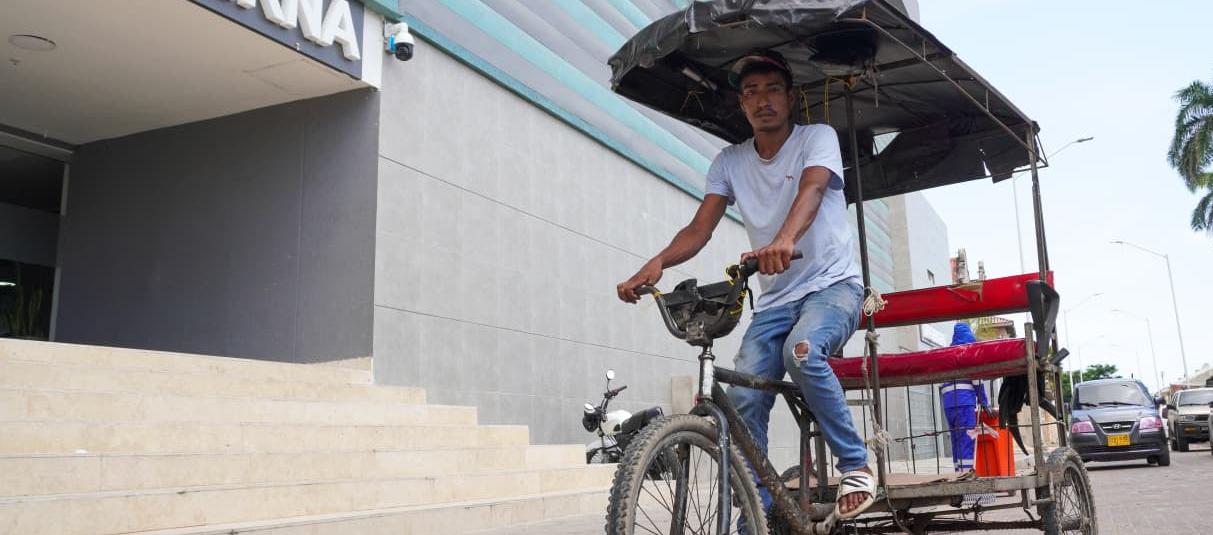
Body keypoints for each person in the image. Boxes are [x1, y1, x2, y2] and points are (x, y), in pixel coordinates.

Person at [616, 49, 875, 520]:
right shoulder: (729, 161)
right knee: (743, 399)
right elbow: (700, 228)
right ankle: (756, 511)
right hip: (776, 301)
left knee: (802, 353)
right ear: (742, 104)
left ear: (790, 97)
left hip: (833, 287)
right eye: (751, 92)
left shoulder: (816, 137)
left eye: (772, 89)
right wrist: (658, 262)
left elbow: (813, 189)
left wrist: (784, 239)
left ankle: (856, 465)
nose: (762, 100)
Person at [939, 322, 990, 472]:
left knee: (956, 441)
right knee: (966, 440)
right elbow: (977, 381)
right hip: (965, 403)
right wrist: (984, 402)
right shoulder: (969, 353)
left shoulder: (947, 356)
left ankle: (958, 473)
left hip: (948, 405)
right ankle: (966, 475)